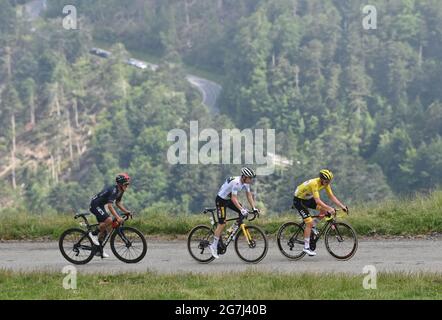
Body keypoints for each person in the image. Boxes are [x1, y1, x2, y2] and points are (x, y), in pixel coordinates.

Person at [293, 169, 348, 256]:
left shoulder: (325, 184)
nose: (328, 183)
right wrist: (329, 208)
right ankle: (306, 247)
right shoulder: (314, 183)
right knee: (309, 222)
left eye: (329, 181)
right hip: (299, 201)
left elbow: (331, 196)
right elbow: (318, 201)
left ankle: (313, 226)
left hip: (308, 199)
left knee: (324, 211)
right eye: (326, 181)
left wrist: (342, 206)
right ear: (321, 179)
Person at [209, 167, 259, 259]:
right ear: (244, 177)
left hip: (228, 200)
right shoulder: (236, 182)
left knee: (241, 213)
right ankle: (213, 246)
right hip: (221, 200)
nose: (251, 180)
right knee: (222, 223)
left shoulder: (245, 182)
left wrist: (254, 208)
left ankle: (230, 232)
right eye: (250, 178)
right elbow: (233, 198)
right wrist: (241, 209)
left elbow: (249, 195)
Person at [88, 173, 132, 258]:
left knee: (106, 228)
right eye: (125, 184)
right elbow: (109, 206)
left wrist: (126, 211)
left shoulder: (121, 190)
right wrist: (118, 217)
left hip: (100, 206)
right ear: (120, 184)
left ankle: (98, 250)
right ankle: (93, 234)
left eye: (127, 184)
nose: (127, 186)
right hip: (95, 205)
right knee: (109, 220)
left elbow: (118, 203)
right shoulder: (114, 190)